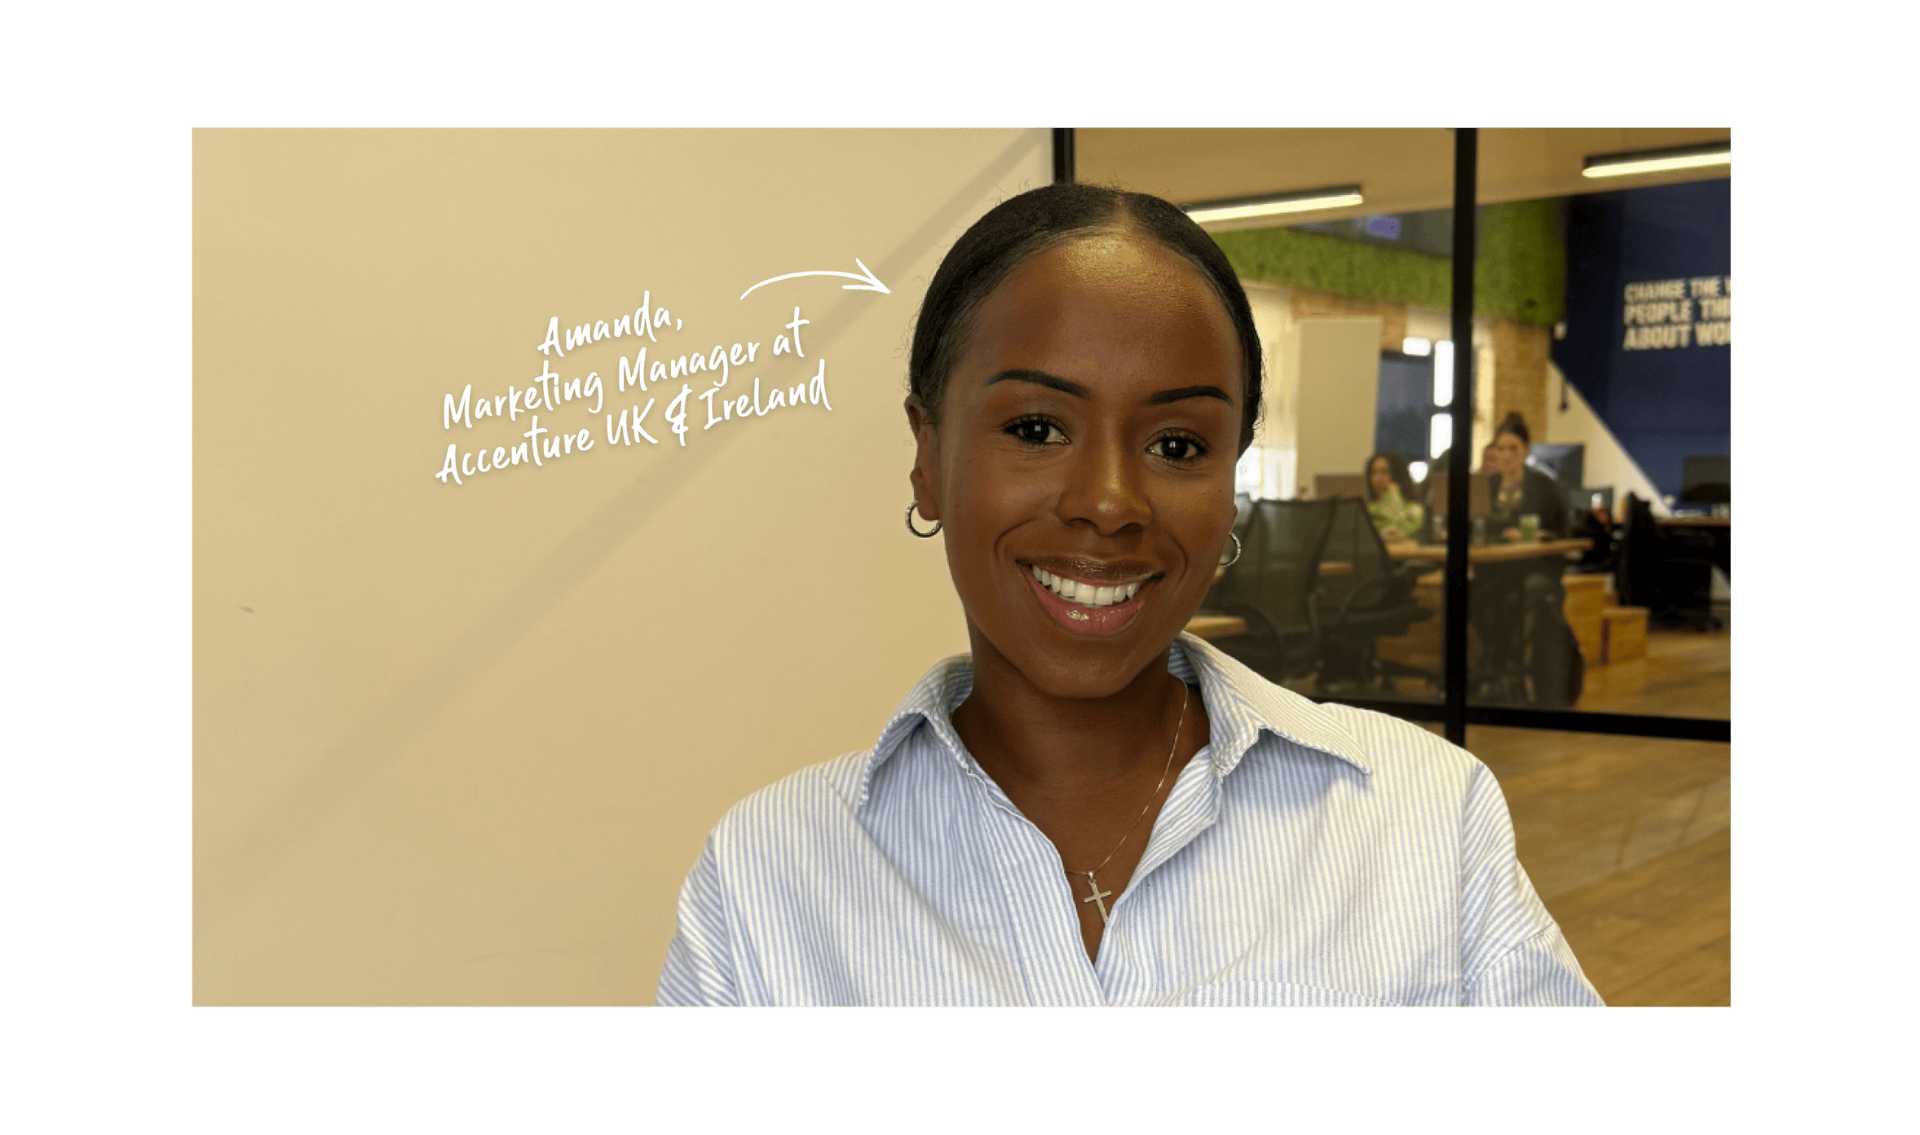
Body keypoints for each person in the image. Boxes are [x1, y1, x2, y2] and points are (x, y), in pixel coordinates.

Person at [653, 185, 1601, 1008]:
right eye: (1035, 426)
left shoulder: (1419, 821)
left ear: (1230, 476)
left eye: (1178, 444)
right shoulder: (767, 877)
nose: (1110, 502)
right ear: (927, 455)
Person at [1470, 413, 1578, 704]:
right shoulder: (1488, 487)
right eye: (1500, 448)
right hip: (1497, 567)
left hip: (1535, 566)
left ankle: (1501, 662)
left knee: (1511, 597)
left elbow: (1562, 532)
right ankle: (1498, 658)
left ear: (1526, 451)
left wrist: (1536, 534)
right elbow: (1478, 524)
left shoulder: (1544, 486)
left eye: (1512, 449)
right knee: (1470, 594)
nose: (1505, 455)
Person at [1363, 450, 1424, 542]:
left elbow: (1394, 531)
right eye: (1373, 473)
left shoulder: (1415, 510)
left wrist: (1393, 495)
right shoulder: (1367, 510)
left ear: (1398, 476)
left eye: (1384, 473)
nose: (1378, 479)